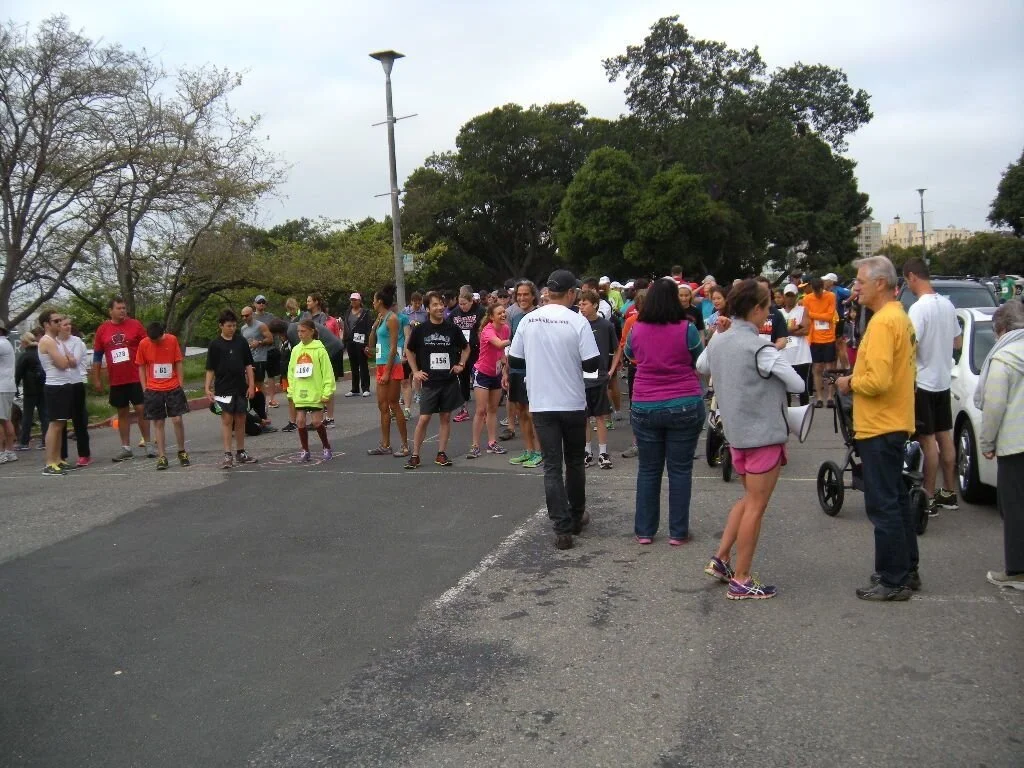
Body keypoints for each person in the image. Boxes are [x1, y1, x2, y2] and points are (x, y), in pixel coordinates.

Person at [697, 279, 805, 599]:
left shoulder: (721, 339)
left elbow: (701, 365)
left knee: (748, 500)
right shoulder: (760, 347)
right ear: (756, 309)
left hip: (736, 434)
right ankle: (742, 578)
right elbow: (797, 384)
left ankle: (722, 559)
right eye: (767, 307)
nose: (769, 312)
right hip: (763, 434)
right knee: (756, 506)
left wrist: (719, 334)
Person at [836, 256, 919, 601]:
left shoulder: (885, 322)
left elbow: (879, 380)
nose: (856, 288)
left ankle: (893, 578)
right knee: (895, 499)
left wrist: (849, 382)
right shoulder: (897, 317)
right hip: (893, 421)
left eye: (860, 281)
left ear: (881, 283)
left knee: (883, 504)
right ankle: (906, 568)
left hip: (881, 425)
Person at [508, 269, 600, 550]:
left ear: (548, 292)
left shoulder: (528, 320)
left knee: (551, 466)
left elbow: (515, 359)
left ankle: (561, 528)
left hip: (541, 403)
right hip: (572, 401)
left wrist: (540, 362)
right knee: (574, 461)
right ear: (571, 293)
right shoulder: (577, 321)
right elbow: (592, 364)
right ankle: (576, 515)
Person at [627, 277, 705, 545]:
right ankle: (678, 532)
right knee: (680, 470)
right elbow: (699, 360)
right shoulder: (687, 329)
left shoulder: (637, 328)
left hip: (645, 402)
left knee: (648, 469)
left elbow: (631, 354)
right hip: (683, 401)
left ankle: (645, 531)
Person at [903, 258, 962, 514]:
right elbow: (957, 342)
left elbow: (910, 345)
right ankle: (948, 492)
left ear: (912, 277)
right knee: (944, 436)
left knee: (928, 441)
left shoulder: (918, 308)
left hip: (923, 382)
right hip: (943, 380)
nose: (908, 285)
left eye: (907, 280)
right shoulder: (948, 305)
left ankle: (927, 497)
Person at [976, 299, 1024, 590]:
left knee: (1014, 507)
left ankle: (1017, 570)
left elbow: (994, 406)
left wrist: (987, 442)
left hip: (1016, 445)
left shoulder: (1003, 358)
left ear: (1002, 328)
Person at [404, 291, 470, 469]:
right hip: (429, 382)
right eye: (435, 304)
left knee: (445, 417)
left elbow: (466, 348)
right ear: (427, 308)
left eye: (441, 304)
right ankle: (415, 455)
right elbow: (409, 350)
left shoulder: (452, 328)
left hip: (448, 380)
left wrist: (461, 364)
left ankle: (441, 453)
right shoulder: (420, 330)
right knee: (424, 418)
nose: (440, 307)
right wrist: (415, 371)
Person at [92, 297, 153, 460]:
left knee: (141, 409)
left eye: (124, 308)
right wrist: (96, 379)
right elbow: (97, 356)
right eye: (118, 308)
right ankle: (126, 447)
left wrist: (150, 369)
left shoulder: (135, 325)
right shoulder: (103, 329)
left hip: (136, 376)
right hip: (117, 379)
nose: (122, 311)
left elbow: (148, 346)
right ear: (110, 311)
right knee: (122, 412)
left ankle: (148, 443)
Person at [204, 309, 257, 469]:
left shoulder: (241, 342)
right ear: (221, 326)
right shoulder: (215, 345)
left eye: (234, 325)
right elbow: (210, 368)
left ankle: (241, 452)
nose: (232, 328)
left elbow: (248, 365)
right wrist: (207, 387)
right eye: (229, 326)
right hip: (223, 388)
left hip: (240, 386)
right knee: (227, 420)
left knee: (241, 418)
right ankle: (228, 454)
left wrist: (251, 385)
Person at [136, 321, 190, 469]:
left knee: (177, 419)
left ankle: (181, 451)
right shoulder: (143, 344)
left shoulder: (172, 340)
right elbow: (141, 366)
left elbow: (178, 362)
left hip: (172, 385)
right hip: (153, 388)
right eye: (152, 340)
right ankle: (162, 456)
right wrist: (144, 387)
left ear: (162, 334)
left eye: (157, 340)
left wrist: (180, 383)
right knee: (158, 422)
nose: (155, 342)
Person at [504, 280, 543, 468]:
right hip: (516, 370)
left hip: (535, 371)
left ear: (533, 296)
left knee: (533, 413)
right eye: (519, 295)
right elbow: (511, 346)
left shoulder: (540, 317)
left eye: (525, 294)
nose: (522, 298)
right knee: (521, 412)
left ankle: (540, 452)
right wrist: (506, 371)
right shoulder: (516, 316)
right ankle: (529, 450)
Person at [367, 285, 409, 457]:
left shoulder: (392, 318)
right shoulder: (381, 318)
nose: (372, 303)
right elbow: (372, 342)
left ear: (380, 301)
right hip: (381, 364)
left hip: (392, 365)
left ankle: (405, 445)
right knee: (382, 405)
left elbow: (393, 347)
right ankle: (385, 444)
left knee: (393, 404)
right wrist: (374, 326)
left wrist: (387, 372)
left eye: (374, 300)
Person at [465, 303, 511, 458]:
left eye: (504, 312)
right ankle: (475, 446)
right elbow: (499, 343)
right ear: (491, 317)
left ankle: (492, 442)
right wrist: (518, 338)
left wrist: (504, 372)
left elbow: (502, 352)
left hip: (496, 373)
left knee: (493, 409)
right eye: (499, 313)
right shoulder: (487, 330)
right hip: (482, 373)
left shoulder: (505, 329)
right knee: (481, 410)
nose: (503, 315)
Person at [579, 290, 618, 469]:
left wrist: (611, 370)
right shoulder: (577, 324)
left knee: (601, 416)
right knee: (584, 417)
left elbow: (617, 349)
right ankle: (587, 452)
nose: (581, 307)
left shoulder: (605, 325)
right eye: (580, 304)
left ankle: (603, 453)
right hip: (581, 378)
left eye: (585, 304)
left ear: (595, 305)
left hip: (600, 377)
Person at [287, 319, 335, 461]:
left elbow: (327, 372)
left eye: (303, 331)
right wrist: (291, 390)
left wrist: (327, 392)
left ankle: (326, 446)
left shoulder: (320, 350)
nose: (300, 334)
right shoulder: (296, 350)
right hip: (300, 392)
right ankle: (305, 450)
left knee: (316, 422)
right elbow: (291, 372)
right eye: (298, 331)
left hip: (315, 392)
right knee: (300, 421)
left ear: (312, 332)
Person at [37, 309, 77, 475]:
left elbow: (73, 362)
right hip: (55, 386)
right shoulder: (47, 341)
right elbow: (63, 364)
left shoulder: (57, 341)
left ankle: (58, 459)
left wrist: (66, 360)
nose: (60, 323)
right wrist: (65, 360)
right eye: (56, 321)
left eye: (61, 320)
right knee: (55, 424)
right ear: (46, 324)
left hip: (64, 384)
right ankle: (49, 463)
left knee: (61, 424)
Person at [58, 318, 91, 468]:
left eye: (69, 324)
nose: (68, 327)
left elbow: (74, 362)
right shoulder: (53, 341)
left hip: (76, 382)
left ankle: (84, 454)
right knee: (61, 421)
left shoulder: (77, 341)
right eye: (65, 325)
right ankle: (61, 455)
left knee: (79, 420)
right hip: (60, 384)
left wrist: (62, 355)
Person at [448, 286, 485, 423]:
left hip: (476, 350)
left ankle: (483, 411)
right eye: (460, 304)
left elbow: (486, 327)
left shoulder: (480, 311)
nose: (462, 307)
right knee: (462, 380)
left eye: (465, 304)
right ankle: (463, 410)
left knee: (478, 380)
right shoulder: (455, 313)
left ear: (471, 302)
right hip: (461, 351)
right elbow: (449, 327)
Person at [803, 277, 838, 408]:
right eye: (816, 291)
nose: (818, 294)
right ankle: (819, 397)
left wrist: (812, 314)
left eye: (820, 291)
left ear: (823, 288)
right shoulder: (807, 299)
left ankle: (830, 396)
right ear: (812, 289)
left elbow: (830, 316)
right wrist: (819, 315)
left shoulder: (831, 296)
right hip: (814, 338)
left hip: (829, 337)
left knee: (830, 368)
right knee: (817, 368)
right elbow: (806, 316)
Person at [240, 305, 274, 430]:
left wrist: (259, 342)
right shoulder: (243, 328)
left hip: (259, 358)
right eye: (242, 316)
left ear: (252, 314)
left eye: (246, 315)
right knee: (250, 386)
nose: (244, 318)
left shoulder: (260, 325)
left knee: (258, 386)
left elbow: (270, 339)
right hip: (248, 361)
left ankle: (263, 413)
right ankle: (252, 414)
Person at [779, 283, 812, 405]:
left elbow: (806, 330)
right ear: (784, 297)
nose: (790, 298)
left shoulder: (803, 310)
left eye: (792, 296)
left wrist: (785, 331)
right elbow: (777, 332)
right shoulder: (779, 313)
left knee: (803, 387)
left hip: (801, 355)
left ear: (796, 296)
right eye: (787, 296)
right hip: (784, 356)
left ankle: (804, 412)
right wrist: (797, 327)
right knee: (785, 389)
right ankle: (787, 414)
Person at [14, 332, 47, 451]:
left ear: (25, 342)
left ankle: (24, 442)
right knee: (44, 415)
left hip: (30, 390)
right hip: (43, 387)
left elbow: (18, 373)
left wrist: (15, 388)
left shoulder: (25, 356)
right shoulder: (41, 353)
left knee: (27, 416)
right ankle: (46, 441)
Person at [252, 295, 280, 407]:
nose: (261, 304)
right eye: (259, 302)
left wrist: (277, 346)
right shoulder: (251, 317)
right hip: (257, 352)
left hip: (270, 350)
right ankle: (260, 400)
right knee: (258, 378)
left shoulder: (270, 317)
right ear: (254, 304)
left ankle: (272, 399)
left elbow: (276, 332)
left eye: (263, 302)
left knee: (271, 376)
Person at [343, 292, 372, 397]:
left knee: (363, 364)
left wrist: (368, 343)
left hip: (361, 341)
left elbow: (368, 328)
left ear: (359, 301)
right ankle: (355, 388)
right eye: (352, 300)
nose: (353, 302)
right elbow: (346, 326)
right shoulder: (348, 312)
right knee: (353, 365)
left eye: (355, 300)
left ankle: (366, 388)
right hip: (350, 341)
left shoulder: (365, 313)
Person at [0, 322, 16, 464]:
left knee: (1, 420)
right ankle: (9, 451)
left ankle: (1, 453)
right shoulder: (6, 343)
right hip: (7, 386)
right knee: (6, 420)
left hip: (1, 386)